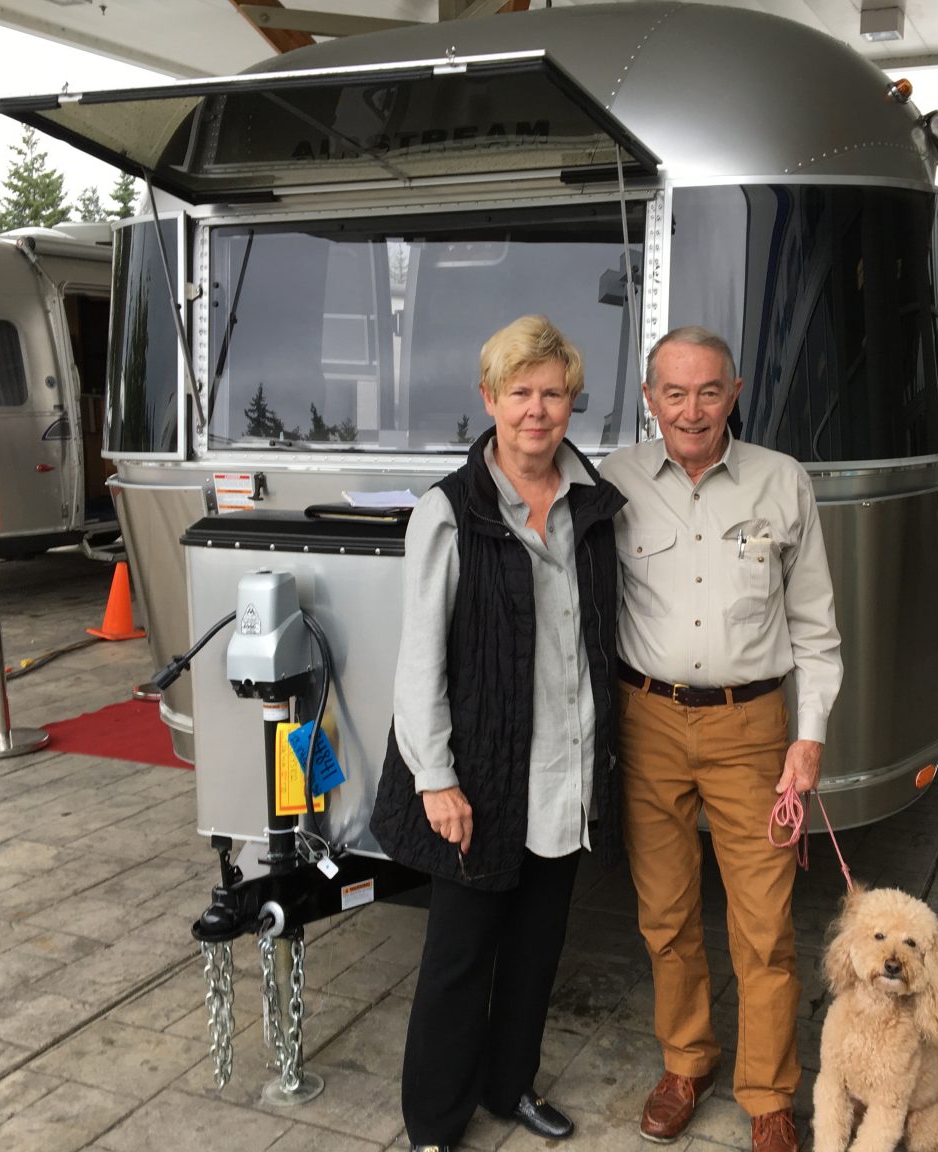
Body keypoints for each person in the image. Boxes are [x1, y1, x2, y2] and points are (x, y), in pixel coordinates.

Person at [370, 315, 626, 1152]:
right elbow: (419, 662)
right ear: (489, 399)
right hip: (479, 777)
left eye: (552, 393)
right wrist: (435, 778)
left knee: (536, 949)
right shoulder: (449, 513)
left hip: (565, 772)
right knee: (459, 959)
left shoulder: (592, 504)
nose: (536, 410)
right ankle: (433, 1125)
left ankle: (510, 1083)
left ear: (572, 402)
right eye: (520, 392)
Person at [599, 326, 842, 1152]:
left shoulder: (782, 481)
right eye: (674, 392)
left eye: (709, 391)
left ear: (735, 394)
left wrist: (809, 737)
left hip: (751, 728)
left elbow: (816, 628)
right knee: (665, 915)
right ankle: (686, 1061)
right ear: (649, 399)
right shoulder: (614, 481)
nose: (692, 410)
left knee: (765, 925)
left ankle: (769, 1093)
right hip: (647, 721)